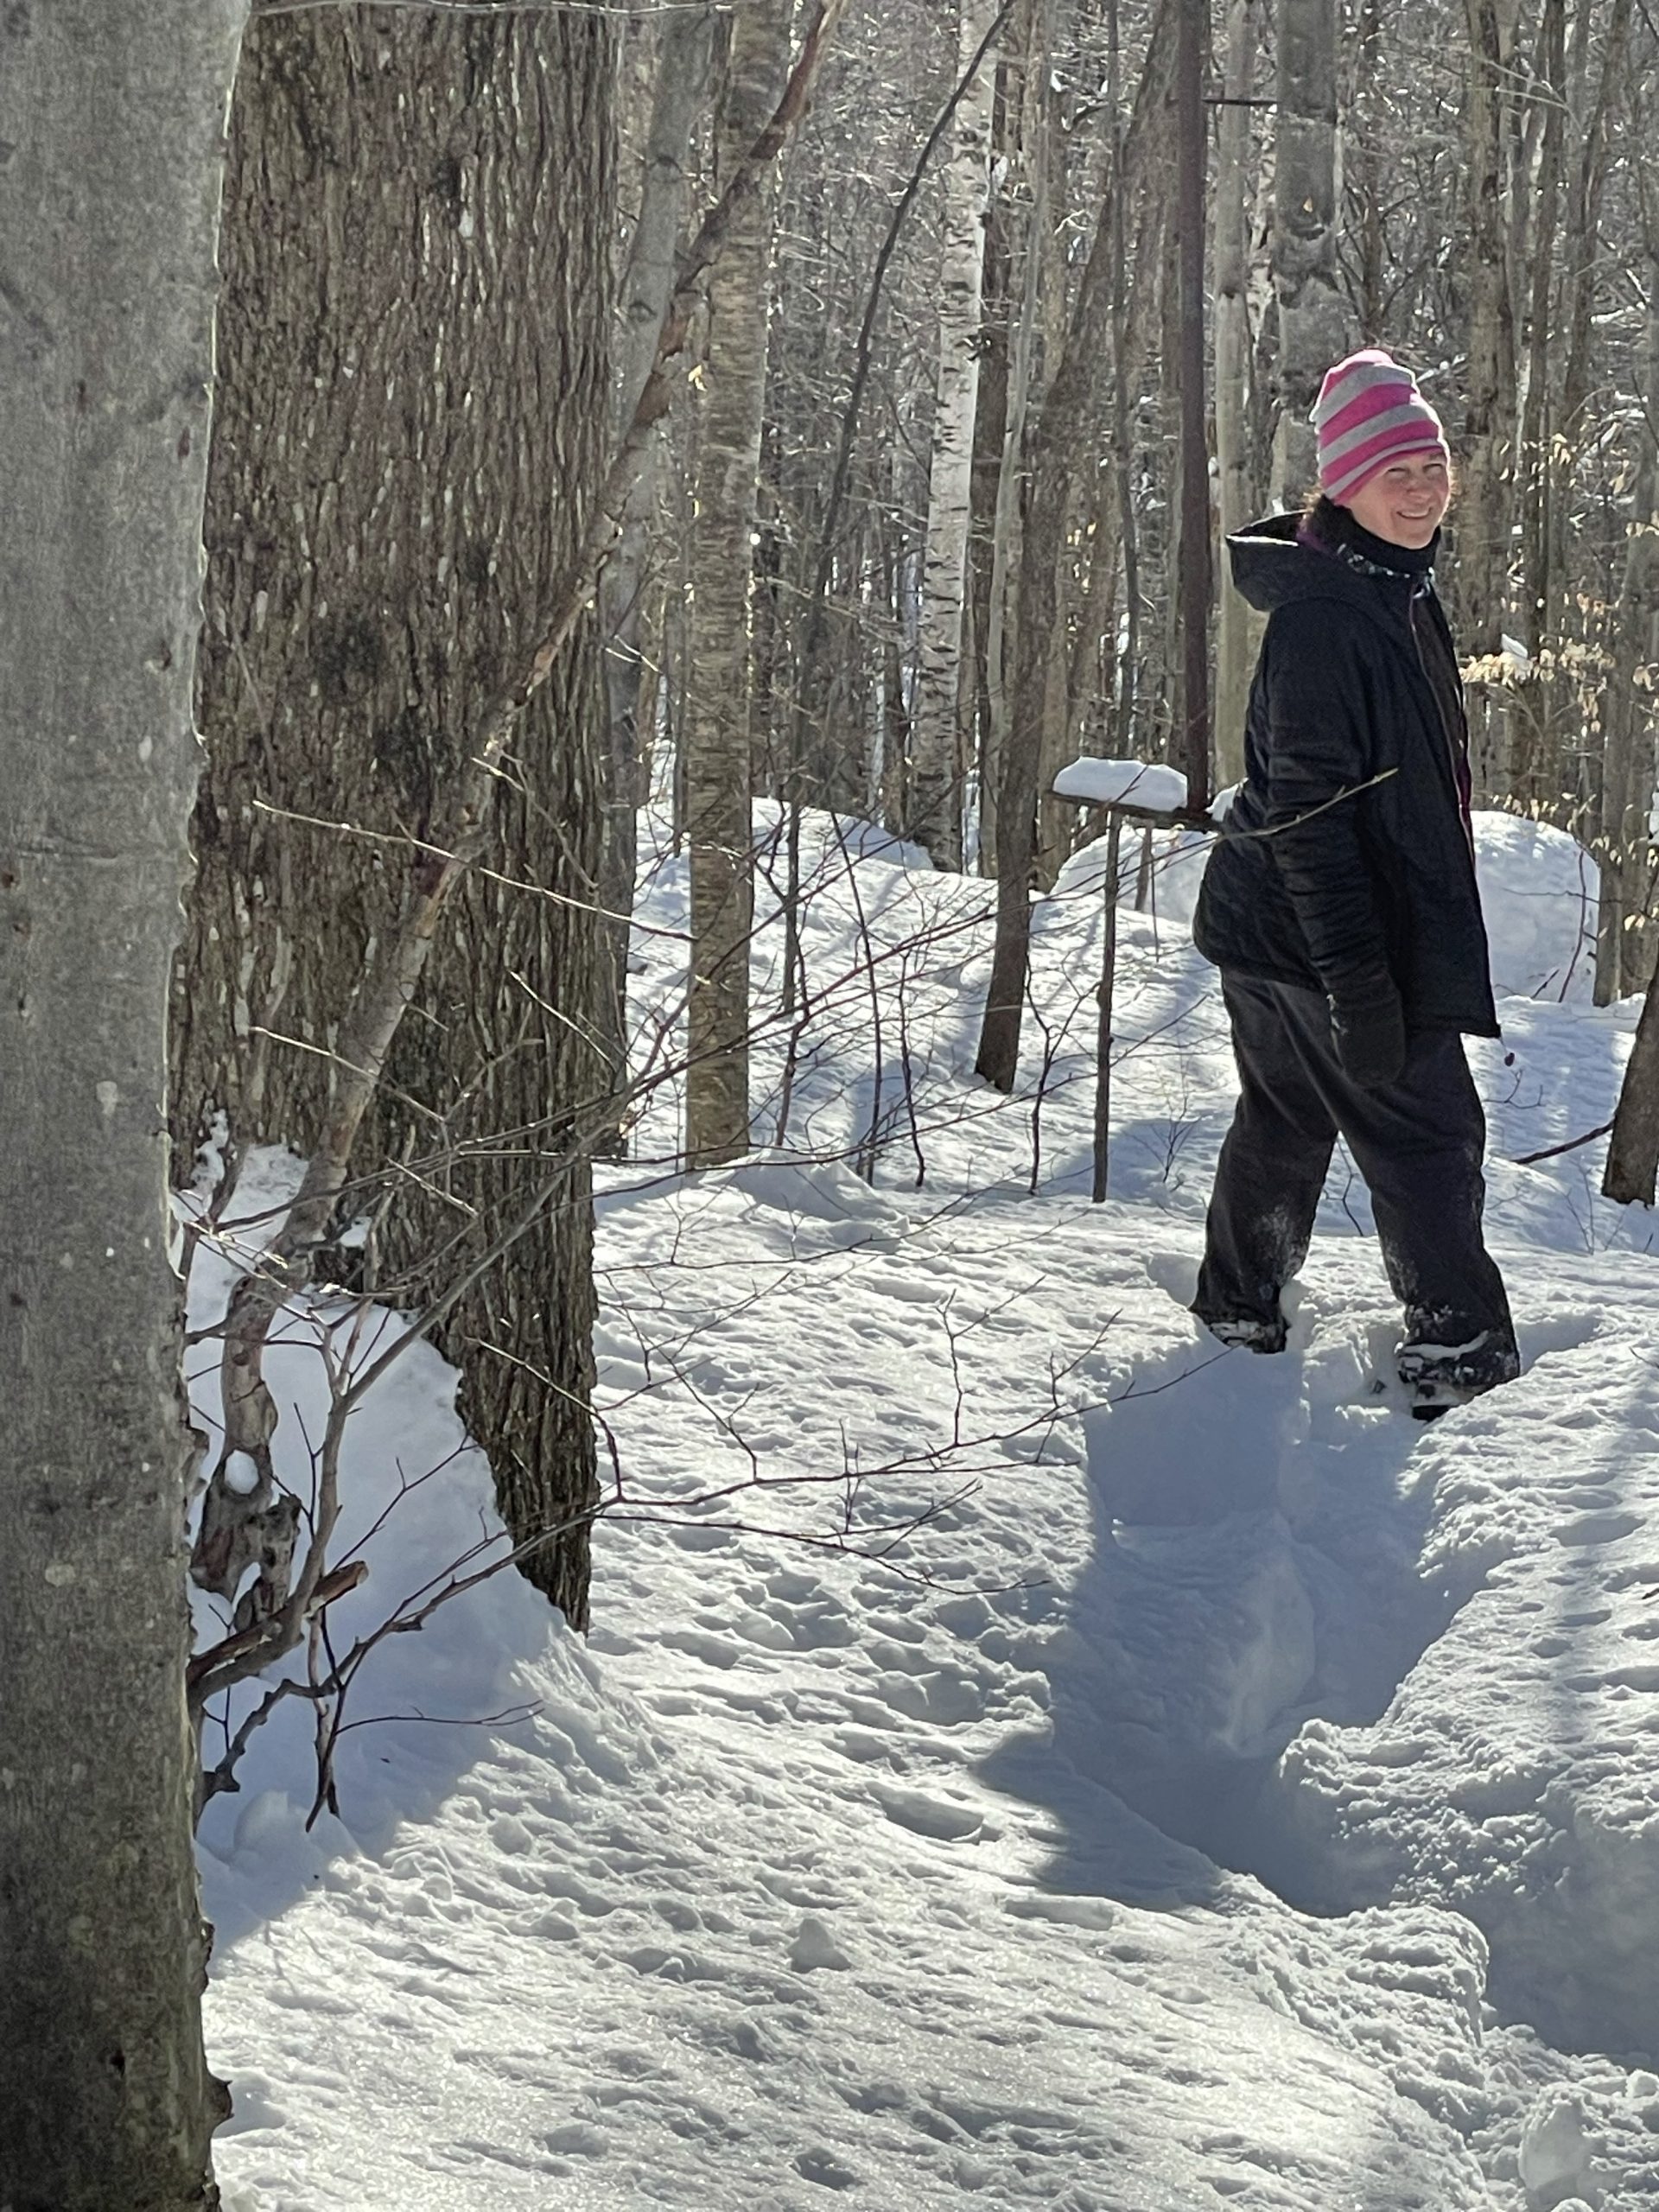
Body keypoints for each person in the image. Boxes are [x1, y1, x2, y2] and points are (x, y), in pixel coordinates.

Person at [1190, 348, 1519, 1416]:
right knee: (1428, 1135)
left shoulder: (1390, 584)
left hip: (1275, 927)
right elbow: (1312, 826)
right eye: (1395, 474)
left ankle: (1239, 1305)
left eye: (1432, 466)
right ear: (1342, 486)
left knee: (1286, 1118)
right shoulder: (1327, 623)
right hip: (1318, 930)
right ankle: (1459, 1352)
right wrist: (1362, 988)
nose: (1421, 492)